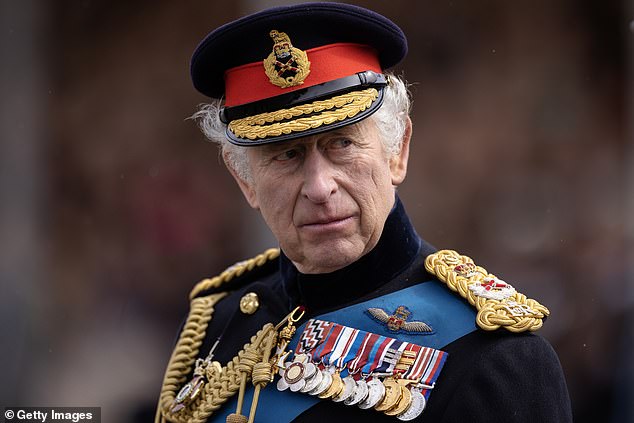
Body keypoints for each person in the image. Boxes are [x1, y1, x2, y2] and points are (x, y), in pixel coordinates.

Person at [155, 3, 572, 422]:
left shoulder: (495, 359)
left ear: (397, 151)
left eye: (342, 144)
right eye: (287, 155)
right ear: (244, 180)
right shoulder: (217, 321)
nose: (320, 188)